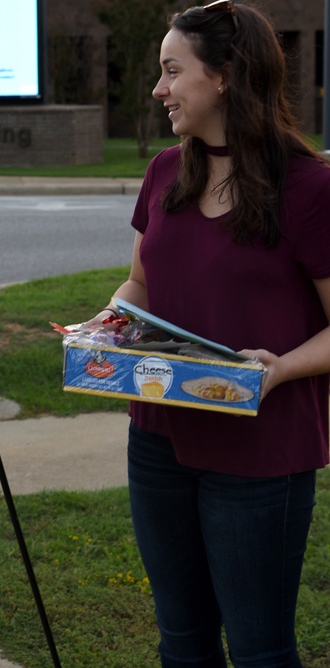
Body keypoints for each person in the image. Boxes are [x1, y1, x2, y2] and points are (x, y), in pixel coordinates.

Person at [87, 2, 330, 666]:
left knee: (258, 649)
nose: (159, 89)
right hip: (159, 439)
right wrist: (101, 330)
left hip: (259, 453)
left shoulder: (310, 187)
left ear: (224, 75)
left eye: (173, 71)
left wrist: (277, 368)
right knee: (183, 639)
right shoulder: (167, 170)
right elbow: (138, 285)